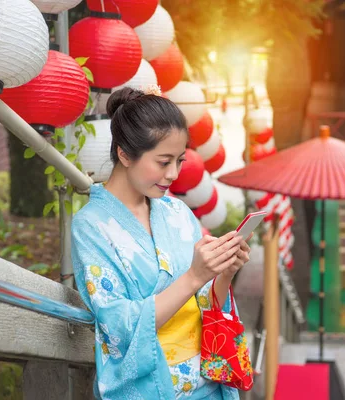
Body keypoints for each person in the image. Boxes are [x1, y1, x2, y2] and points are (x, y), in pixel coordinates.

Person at [71, 86, 252, 399]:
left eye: (179, 161)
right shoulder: (91, 226)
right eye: (163, 161)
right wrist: (194, 276)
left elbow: (206, 303)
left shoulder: (177, 212)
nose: (173, 174)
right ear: (125, 154)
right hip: (152, 389)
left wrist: (223, 272)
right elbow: (119, 326)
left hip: (208, 389)